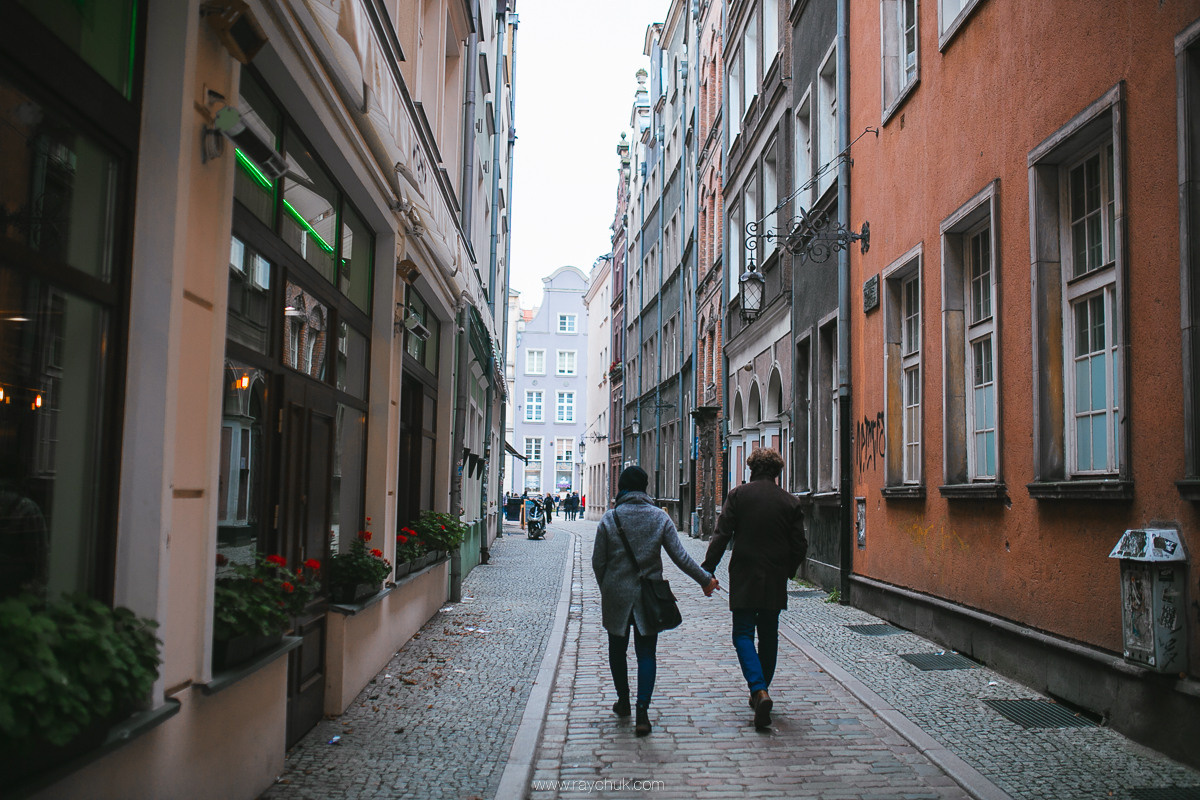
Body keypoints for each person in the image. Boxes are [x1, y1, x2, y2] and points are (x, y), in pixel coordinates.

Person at [593, 466, 719, 736]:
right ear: (646, 487)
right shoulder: (659, 518)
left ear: (621, 488)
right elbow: (681, 557)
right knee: (646, 653)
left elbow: (598, 563)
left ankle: (623, 701)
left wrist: (608, 588)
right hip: (648, 596)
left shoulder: (609, 519)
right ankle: (642, 712)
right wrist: (705, 580)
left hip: (616, 595)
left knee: (617, 650)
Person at [701, 447, 806, 730]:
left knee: (743, 634)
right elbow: (800, 546)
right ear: (777, 471)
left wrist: (707, 569)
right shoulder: (790, 502)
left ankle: (758, 689)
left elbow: (722, 535)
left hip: (745, 573)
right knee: (769, 634)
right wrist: (788, 571)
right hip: (774, 576)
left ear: (751, 469)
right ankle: (761, 691)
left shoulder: (738, 496)